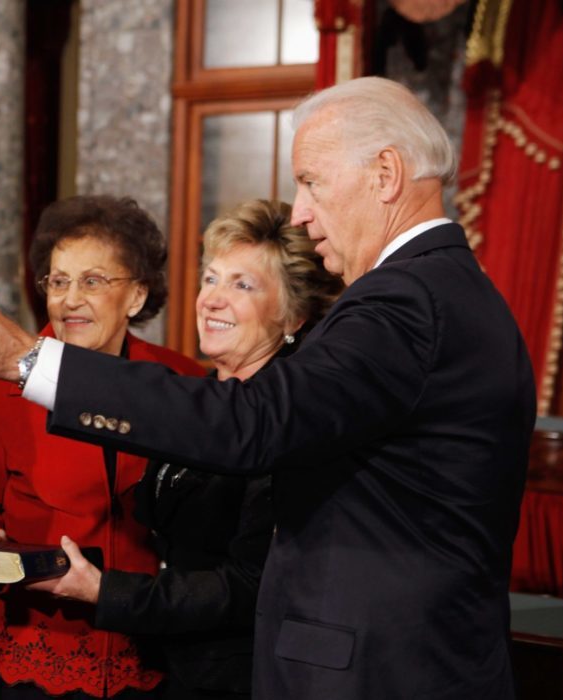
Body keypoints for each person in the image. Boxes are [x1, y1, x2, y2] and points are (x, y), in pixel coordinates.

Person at [0, 76, 536, 699]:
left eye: (311, 182)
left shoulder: (404, 300)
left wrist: (30, 360)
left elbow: (253, 423)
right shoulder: (456, 292)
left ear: (386, 174)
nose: (304, 212)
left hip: (379, 670)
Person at [37, 199, 343, 699]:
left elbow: (247, 586)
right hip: (165, 667)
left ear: (294, 314)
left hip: (240, 678)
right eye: (210, 278)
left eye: (242, 285)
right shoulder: (200, 393)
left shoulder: (291, 422)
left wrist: (103, 590)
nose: (212, 300)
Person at [0, 195, 205, 700]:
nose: (69, 299)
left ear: (136, 296)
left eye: (92, 281)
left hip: (156, 650)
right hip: (42, 651)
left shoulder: (181, 381)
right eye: (59, 281)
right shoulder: (0, 385)